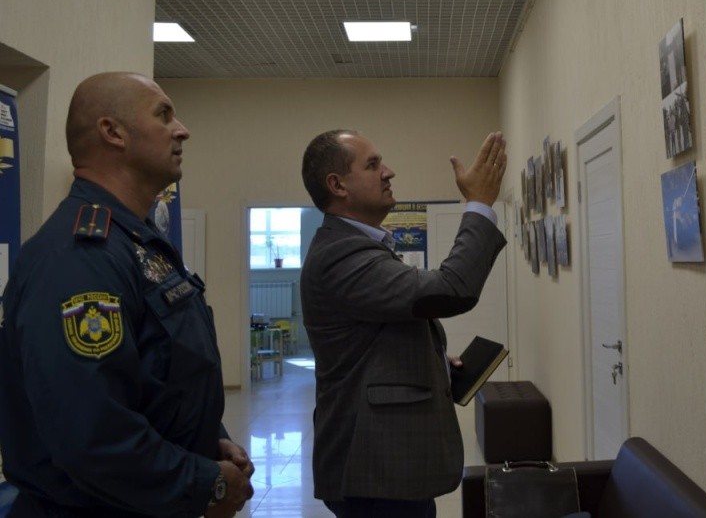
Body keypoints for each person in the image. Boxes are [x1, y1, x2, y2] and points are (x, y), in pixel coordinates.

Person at [0, 72, 254, 517]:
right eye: (164, 115)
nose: (182, 129)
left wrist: (209, 438)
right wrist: (203, 482)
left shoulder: (136, 242)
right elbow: (92, 434)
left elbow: (160, 373)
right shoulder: (80, 257)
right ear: (112, 132)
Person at [299, 129, 508, 518]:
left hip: (388, 466)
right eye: (373, 164)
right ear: (337, 184)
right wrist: (478, 204)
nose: (388, 172)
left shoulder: (359, 245)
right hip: (374, 469)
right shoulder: (340, 254)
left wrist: (433, 363)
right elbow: (450, 289)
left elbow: (374, 337)